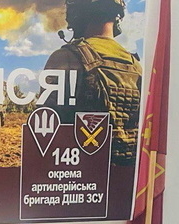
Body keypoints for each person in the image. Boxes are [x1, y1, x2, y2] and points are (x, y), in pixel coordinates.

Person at [44, 0, 142, 165]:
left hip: (79, 172)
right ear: (117, 15)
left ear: (77, 14)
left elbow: (44, 126)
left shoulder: (65, 58)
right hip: (125, 174)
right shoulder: (136, 66)